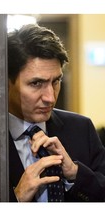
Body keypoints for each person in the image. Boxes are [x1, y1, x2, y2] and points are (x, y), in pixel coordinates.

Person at [8, 23, 105, 202]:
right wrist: (16, 200)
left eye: (56, 81)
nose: (50, 98)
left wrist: (75, 174)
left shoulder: (82, 128)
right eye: (36, 83)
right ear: (5, 83)